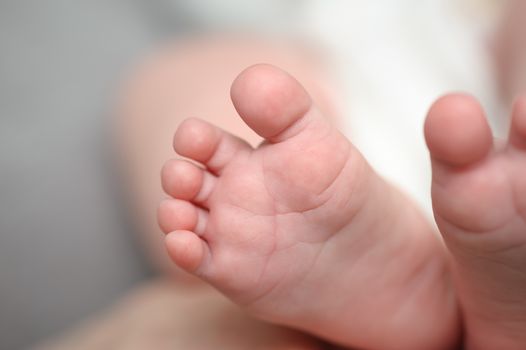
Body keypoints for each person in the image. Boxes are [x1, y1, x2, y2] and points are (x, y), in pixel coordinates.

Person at [42, 1, 526, 349]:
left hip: (469, 151)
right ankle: (412, 296)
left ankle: (431, 303)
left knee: (191, 77)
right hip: (326, 175)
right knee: (212, 82)